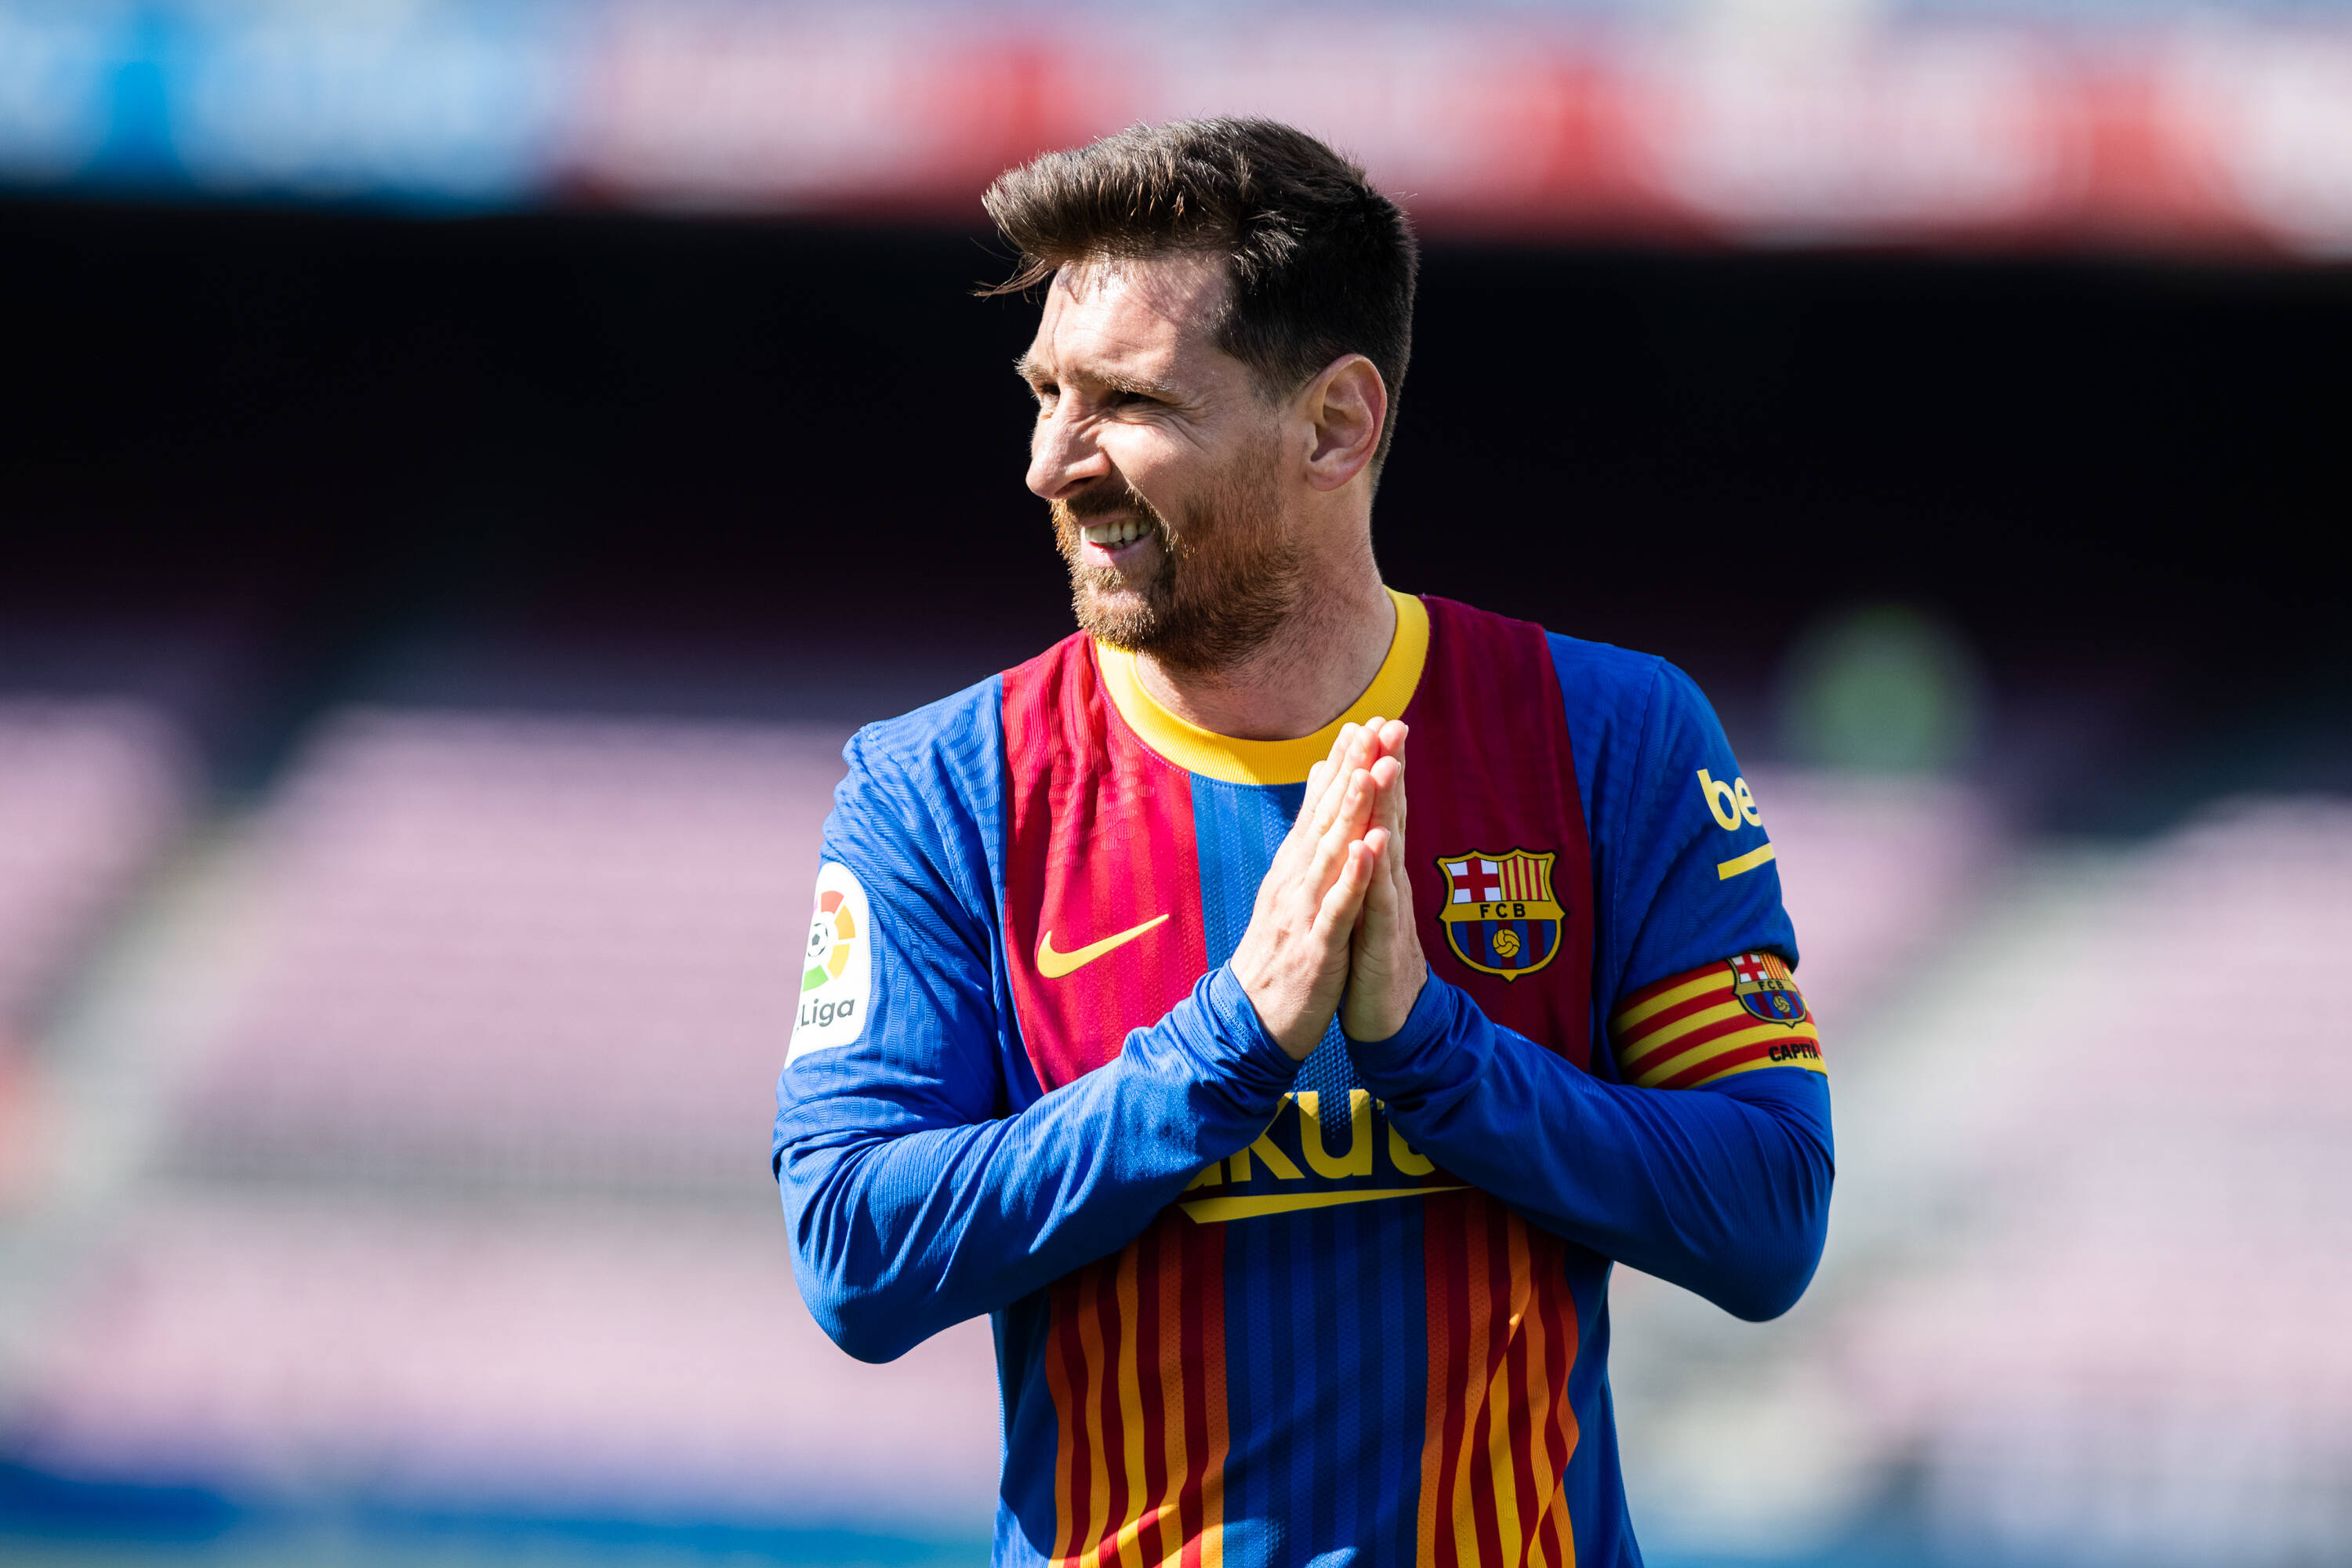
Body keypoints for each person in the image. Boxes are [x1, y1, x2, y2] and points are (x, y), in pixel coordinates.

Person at [774, 118, 1832, 1568]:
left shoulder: (1610, 737)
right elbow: (851, 1248)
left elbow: (1770, 1216)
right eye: (1046, 393)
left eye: (1127, 402)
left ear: (1336, 424)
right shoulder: (943, 787)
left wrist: (1435, 1056)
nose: (1050, 464)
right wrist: (1222, 1053)